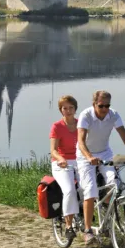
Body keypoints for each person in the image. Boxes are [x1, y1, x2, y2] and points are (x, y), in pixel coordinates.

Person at [76, 90, 125, 245]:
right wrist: (89, 157)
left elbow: (124, 136)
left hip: (105, 153)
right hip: (85, 155)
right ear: (94, 104)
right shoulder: (86, 115)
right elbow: (81, 141)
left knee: (114, 184)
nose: (105, 109)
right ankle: (87, 231)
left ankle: (108, 219)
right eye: (101, 106)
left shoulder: (113, 115)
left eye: (107, 105)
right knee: (91, 189)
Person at [49, 95, 80, 240]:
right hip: (61, 162)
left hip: (79, 161)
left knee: (89, 188)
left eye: (71, 108)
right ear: (61, 110)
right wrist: (60, 159)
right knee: (69, 190)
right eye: (64, 108)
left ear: (75, 109)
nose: (68, 111)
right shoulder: (57, 127)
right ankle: (68, 226)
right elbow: (53, 150)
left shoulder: (81, 124)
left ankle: (86, 224)